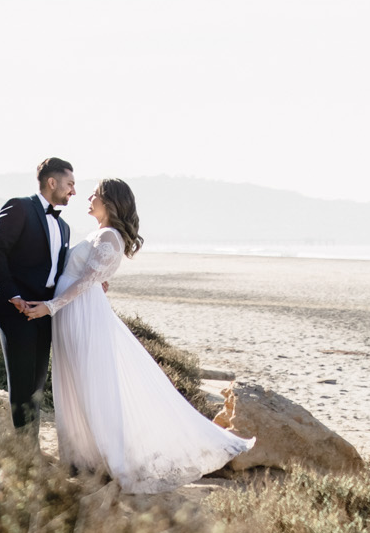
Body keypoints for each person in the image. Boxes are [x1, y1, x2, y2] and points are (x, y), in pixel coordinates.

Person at [18, 178, 255, 492]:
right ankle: (83, 457)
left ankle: (109, 457)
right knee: (74, 383)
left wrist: (50, 307)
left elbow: (87, 281)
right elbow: (88, 276)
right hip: (73, 315)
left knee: (91, 385)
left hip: (82, 317)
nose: (89, 197)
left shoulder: (110, 236)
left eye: (96, 194)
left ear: (112, 202)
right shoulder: (99, 234)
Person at [0, 158, 77, 431]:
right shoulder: (19, 206)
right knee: (22, 386)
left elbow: (60, 271)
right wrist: (13, 296)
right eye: (70, 184)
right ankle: (26, 458)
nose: (73, 191)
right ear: (52, 182)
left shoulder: (64, 227)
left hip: (45, 313)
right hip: (16, 311)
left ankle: (29, 451)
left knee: (37, 386)